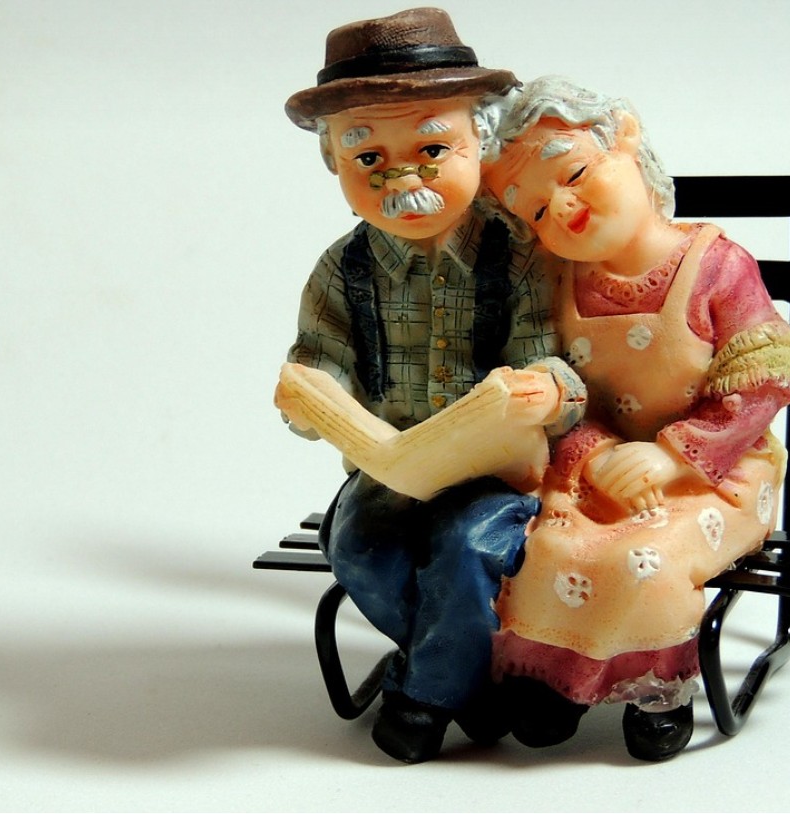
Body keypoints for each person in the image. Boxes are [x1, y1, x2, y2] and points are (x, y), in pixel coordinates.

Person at [279, 9, 585, 763]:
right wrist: (309, 399)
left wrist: (548, 392)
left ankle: (426, 694)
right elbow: (322, 360)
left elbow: (556, 356)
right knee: (360, 550)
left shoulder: (520, 252)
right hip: (391, 469)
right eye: (368, 157)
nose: (403, 178)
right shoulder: (341, 270)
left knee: (465, 544)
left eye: (431, 148)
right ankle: (485, 687)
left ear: (480, 141)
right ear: (335, 164)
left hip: (495, 476)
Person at [478, 76, 790, 760]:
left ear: (624, 136)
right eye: (536, 211)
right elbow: (554, 389)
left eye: (573, 175)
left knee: (644, 559)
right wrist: (593, 455)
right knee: (545, 547)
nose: (562, 209)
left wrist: (671, 455)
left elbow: (764, 380)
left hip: (713, 471)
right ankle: (551, 681)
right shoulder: (556, 284)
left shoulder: (718, 266)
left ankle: (656, 690)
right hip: (596, 470)